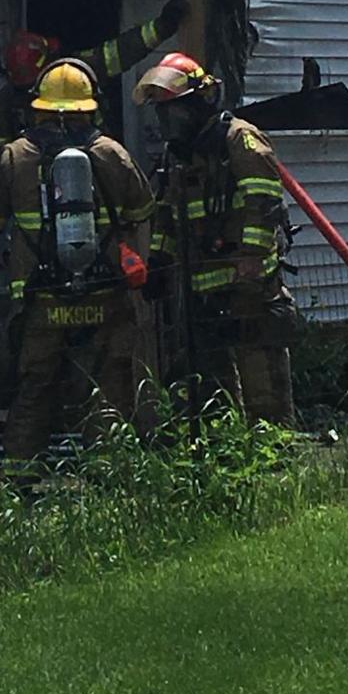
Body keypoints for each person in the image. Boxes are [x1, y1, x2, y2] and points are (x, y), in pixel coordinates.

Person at [0, 59, 155, 461]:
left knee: (34, 389)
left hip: (40, 300)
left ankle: (22, 479)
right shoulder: (112, 154)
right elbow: (142, 210)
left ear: (38, 107)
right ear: (91, 106)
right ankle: (109, 472)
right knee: (109, 386)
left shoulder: (16, 157)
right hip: (105, 297)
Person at [132, 52, 295, 427]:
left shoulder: (239, 139)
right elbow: (169, 216)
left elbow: (265, 201)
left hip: (248, 287)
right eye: (161, 113)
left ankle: (277, 457)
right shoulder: (178, 157)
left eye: (173, 111)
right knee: (212, 386)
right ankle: (227, 456)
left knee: (262, 381)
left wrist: (251, 258)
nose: (166, 121)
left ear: (200, 102)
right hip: (202, 288)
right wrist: (158, 261)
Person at [0, 0, 189, 165]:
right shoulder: (7, 102)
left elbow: (121, 50)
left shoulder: (77, 71)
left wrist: (164, 25)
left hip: (91, 167)